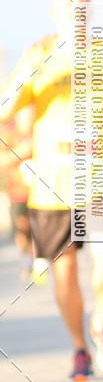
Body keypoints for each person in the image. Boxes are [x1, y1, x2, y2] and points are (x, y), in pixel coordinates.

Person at [0, 0, 103, 380]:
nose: (76, 13)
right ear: (55, 14)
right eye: (69, 7)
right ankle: (80, 348)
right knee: (63, 273)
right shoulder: (37, 55)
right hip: (51, 184)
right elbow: (5, 110)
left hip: (102, 176)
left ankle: (101, 323)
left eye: (83, 6)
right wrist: (29, 76)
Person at [0, 109, 34, 281]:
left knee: (36, 227)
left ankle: (38, 260)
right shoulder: (8, 135)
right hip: (17, 191)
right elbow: (2, 160)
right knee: (22, 228)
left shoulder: (39, 131)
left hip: (38, 191)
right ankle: (26, 259)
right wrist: (21, 152)